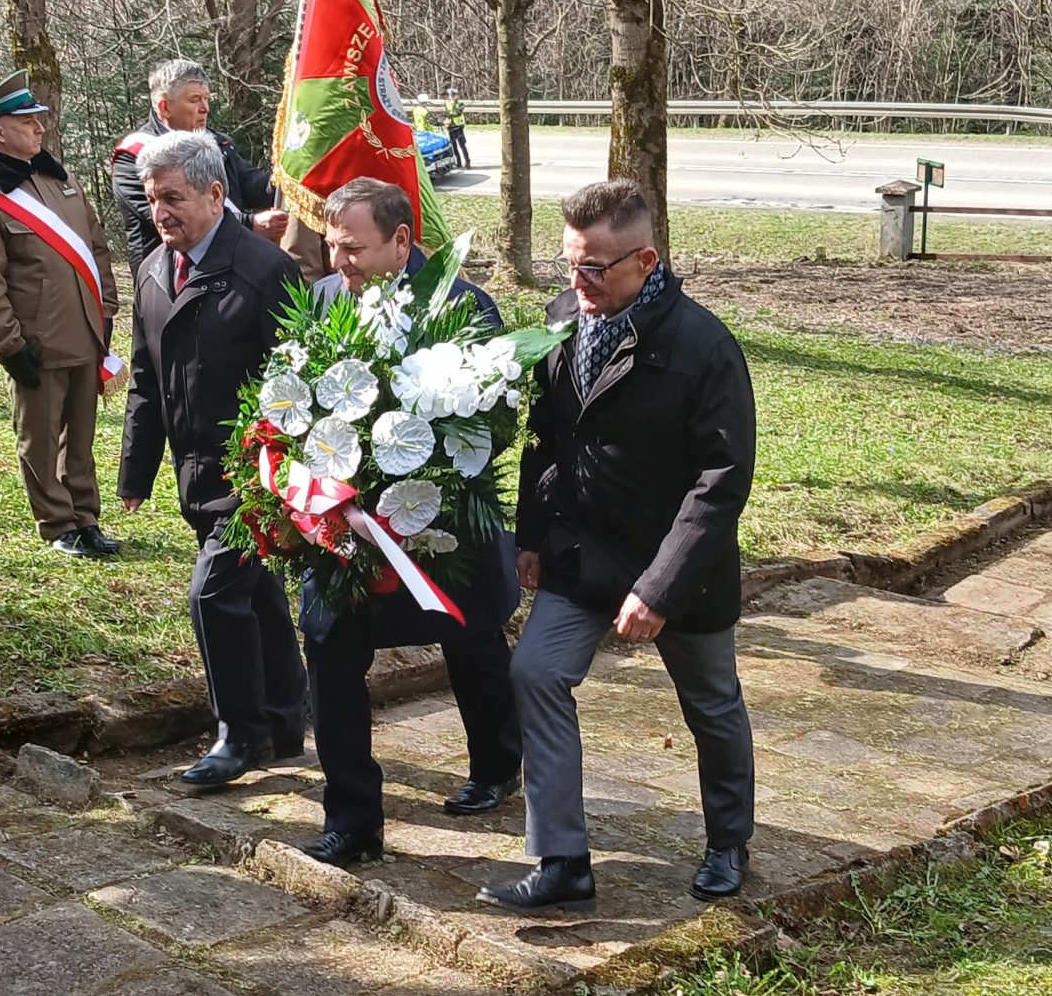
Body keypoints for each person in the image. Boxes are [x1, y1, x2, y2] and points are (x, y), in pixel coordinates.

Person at [484, 179, 758, 913]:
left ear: (646, 261)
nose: (577, 282)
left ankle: (728, 841)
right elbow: (546, 438)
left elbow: (721, 482)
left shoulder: (703, 346)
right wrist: (532, 536)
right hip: (582, 555)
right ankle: (562, 861)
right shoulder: (562, 320)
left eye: (594, 268)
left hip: (680, 569)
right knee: (535, 672)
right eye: (569, 263)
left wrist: (659, 587)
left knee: (712, 704)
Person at [293, 177, 524, 867]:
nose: (340, 263)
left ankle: (496, 764)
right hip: (346, 529)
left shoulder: (464, 306)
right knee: (328, 645)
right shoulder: (326, 298)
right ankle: (352, 818)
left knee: (471, 640)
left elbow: (494, 422)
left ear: (400, 241)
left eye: (353, 248)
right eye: (332, 247)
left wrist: (415, 475)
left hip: (440, 520)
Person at [118, 130, 308, 789]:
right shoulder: (152, 270)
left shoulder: (263, 269)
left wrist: (283, 467)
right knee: (258, 597)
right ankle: (285, 721)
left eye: (172, 198)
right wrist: (136, 471)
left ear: (215, 193)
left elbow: (297, 381)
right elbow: (146, 380)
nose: (160, 212)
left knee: (215, 594)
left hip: (258, 475)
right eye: (152, 199)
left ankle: (241, 733)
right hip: (194, 470)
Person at [0, 71, 122, 560]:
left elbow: (96, 250)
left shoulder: (58, 179)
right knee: (41, 440)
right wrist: (8, 346)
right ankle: (57, 522)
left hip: (84, 333)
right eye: (27, 121)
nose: (39, 127)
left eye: (38, 118)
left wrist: (106, 313)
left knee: (80, 437)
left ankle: (86, 517)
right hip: (36, 343)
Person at [109, 59, 285, 273]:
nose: (205, 108)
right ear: (165, 107)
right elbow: (167, 217)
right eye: (195, 100)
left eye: (206, 99)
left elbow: (252, 185)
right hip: (167, 276)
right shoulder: (132, 156)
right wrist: (249, 224)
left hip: (229, 268)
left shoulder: (217, 144)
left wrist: (288, 181)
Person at [443, 86, 470, 169]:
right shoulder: (446, 104)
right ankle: (458, 163)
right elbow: (445, 113)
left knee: (462, 145)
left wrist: (449, 114)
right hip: (450, 127)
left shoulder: (460, 103)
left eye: (454, 95)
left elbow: (458, 113)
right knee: (454, 146)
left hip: (458, 127)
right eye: (451, 95)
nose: (452, 96)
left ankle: (467, 162)